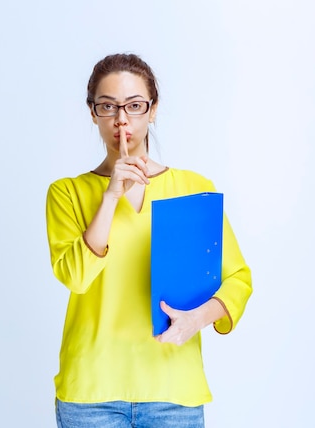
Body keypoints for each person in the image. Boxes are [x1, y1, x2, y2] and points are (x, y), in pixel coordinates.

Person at [45, 53, 252, 428]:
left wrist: (196, 320)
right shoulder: (67, 193)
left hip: (172, 390)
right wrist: (110, 196)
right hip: (92, 394)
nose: (121, 119)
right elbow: (75, 277)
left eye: (135, 106)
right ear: (93, 112)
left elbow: (238, 279)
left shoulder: (194, 189)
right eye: (108, 106)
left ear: (153, 110)